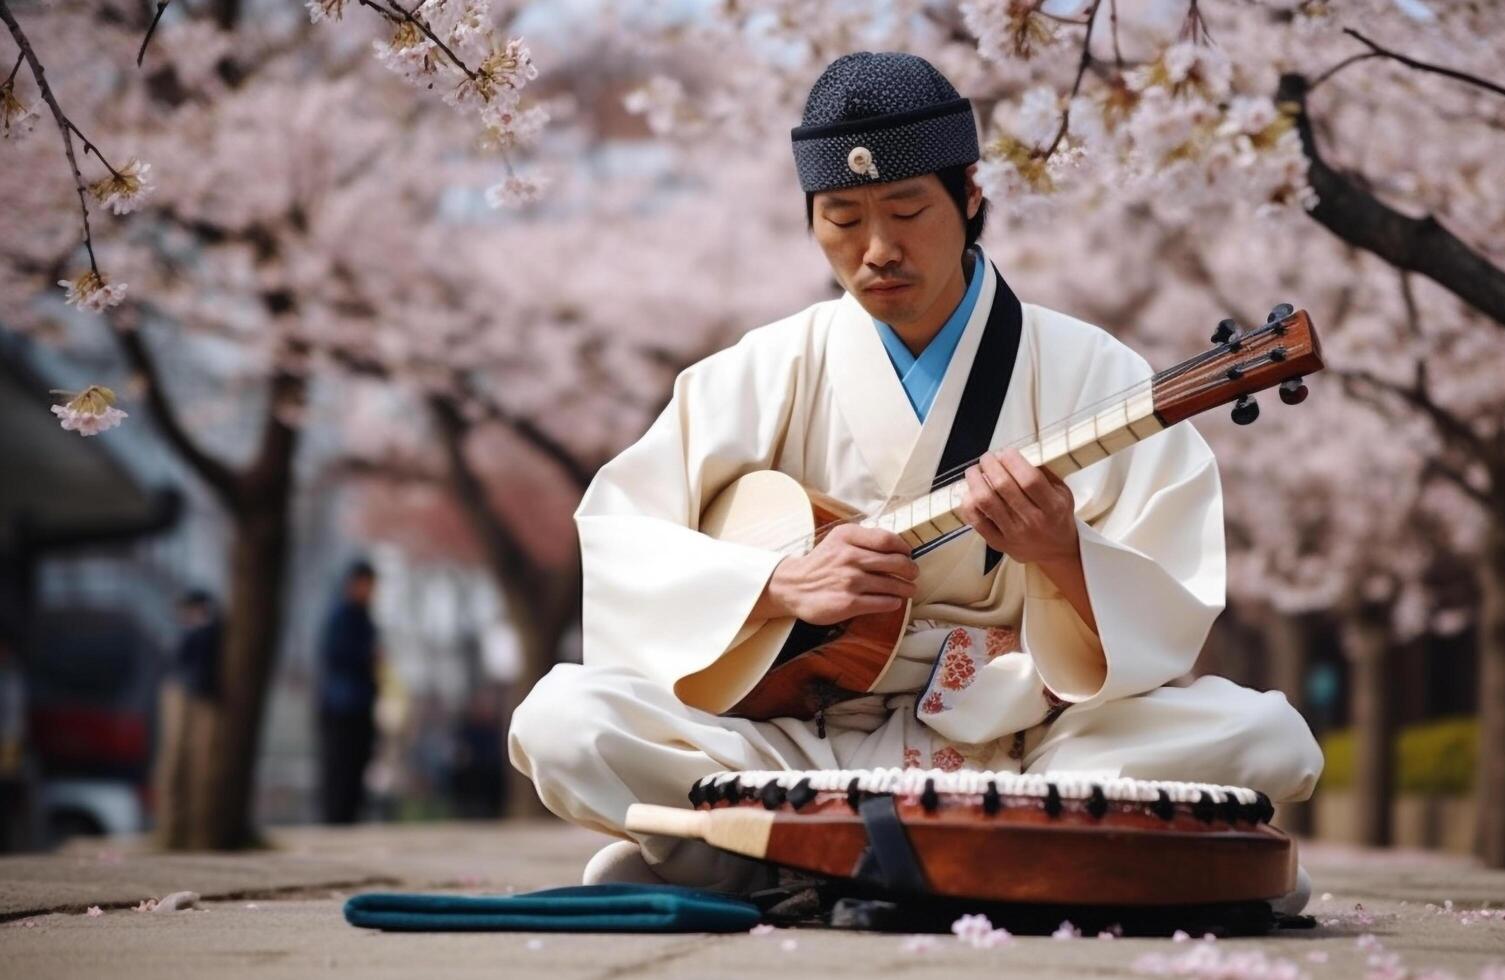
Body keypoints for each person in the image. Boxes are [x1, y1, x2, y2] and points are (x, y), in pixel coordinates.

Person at [508, 52, 1323, 905]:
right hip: (797, 738)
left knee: (1262, 735)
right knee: (564, 722)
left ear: (971, 195)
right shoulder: (764, 368)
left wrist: (1063, 555)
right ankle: (1062, 863)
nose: (877, 250)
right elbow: (621, 537)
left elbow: (1167, 604)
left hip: (1018, 746)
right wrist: (772, 586)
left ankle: (747, 851)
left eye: (906, 210)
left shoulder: (1094, 372)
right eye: (842, 219)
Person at [153, 590, 221, 846]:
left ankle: (184, 831)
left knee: (191, 766)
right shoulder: (190, 635)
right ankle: (172, 830)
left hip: (194, 698)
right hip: (186, 696)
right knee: (176, 765)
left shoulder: (204, 633)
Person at [316, 561, 380, 824]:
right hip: (341, 704)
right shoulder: (341, 616)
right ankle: (335, 818)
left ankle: (349, 817)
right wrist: (367, 658)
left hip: (361, 702)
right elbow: (335, 655)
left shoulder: (365, 617)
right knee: (339, 765)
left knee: (357, 764)